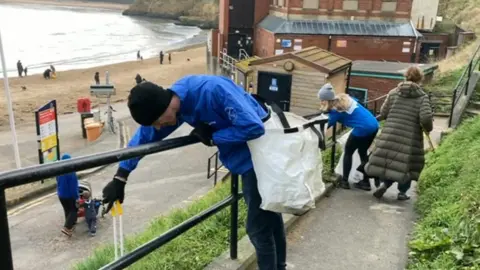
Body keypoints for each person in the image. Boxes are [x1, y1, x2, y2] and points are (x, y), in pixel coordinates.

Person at [101, 75, 287, 270]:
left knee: (258, 229)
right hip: (247, 159)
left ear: (165, 108)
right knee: (271, 218)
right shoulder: (175, 102)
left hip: (259, 160)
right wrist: (121, 175)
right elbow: (146, 136)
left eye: (157, 121)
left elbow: (254, 127)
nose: (159, 127)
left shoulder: (212, 91)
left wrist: (214, 137)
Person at [365, 66, 433, 201]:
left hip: (390, 132)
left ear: (405, 76)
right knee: (407, 164)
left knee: (388, 159)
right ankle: (402, 192)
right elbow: (425, 118)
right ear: (420, 79)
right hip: (410, 136)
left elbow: (383, 113)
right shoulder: (422, 97)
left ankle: (384, 183)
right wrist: (428, 128)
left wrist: (371, 120)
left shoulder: (394, 92)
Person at [318, 83, 379, 191]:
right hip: (374, 125)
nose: (321, 102)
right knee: (362, 152)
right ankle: (366, 182)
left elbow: (325, 126)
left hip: (362, 128)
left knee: (348, 152)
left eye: (322, 100)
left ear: (327, 100)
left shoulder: (336, 110)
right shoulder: (345, 99)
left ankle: (345, 181)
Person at [56, 153, 79, 237]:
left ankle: (70, 225)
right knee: (74, 210)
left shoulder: (59, 170)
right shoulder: (71, 172)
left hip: (61, 195)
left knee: (67, 210)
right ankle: (67, 228)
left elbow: (57, 181)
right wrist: (77, 197)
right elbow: (73, 187)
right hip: (69, 195)